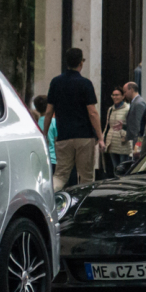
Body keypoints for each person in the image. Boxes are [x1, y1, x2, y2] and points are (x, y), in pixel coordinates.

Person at [41, 47, 103, 192]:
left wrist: (44, 133)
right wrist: (100, 137)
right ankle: (82, 209)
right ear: (81, 63)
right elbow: (92, 113)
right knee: (86, 177)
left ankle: (50, 203)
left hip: (63, 136)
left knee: (60, 175)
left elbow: (49, 112)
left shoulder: (55, 82)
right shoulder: (86, 83)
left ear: (66, 62)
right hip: (84, 136)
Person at [103, 87, 133, 175]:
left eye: (117, 95)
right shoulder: (111, 109)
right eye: (113, 95)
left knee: (123, 168)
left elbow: (132, 125)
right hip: (112, 142)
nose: (115, 97)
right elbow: (107, 126)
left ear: (123, 96)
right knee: (115, 169)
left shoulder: (128, 108)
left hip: (123, 142)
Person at [33, 95, 57, 174]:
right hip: (54, 159)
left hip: (42, 159)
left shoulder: (36, 123)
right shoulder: (54, 122)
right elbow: (57, 141)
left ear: (36, 109)